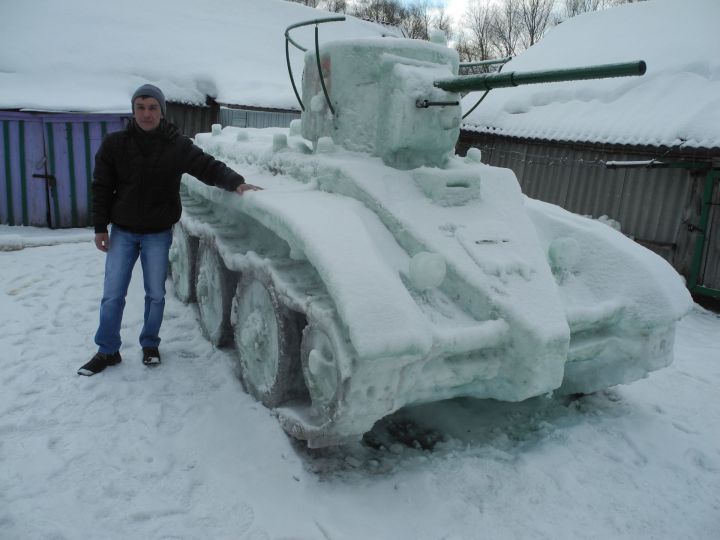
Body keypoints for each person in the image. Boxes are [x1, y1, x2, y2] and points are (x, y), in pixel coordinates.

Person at [78, 84, 260, 376]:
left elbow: (207, 166)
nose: (147, 113)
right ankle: (107, 350)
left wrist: (236, 182)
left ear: (162, 111)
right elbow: (100, 187)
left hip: (157, 233)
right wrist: (100, 227)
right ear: (133, 110)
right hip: (123, 231)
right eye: (141, 107)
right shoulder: (115, 144)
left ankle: (150, 344)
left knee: (155, 294)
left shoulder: (176, 145)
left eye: (153, 108)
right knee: (112, 294)